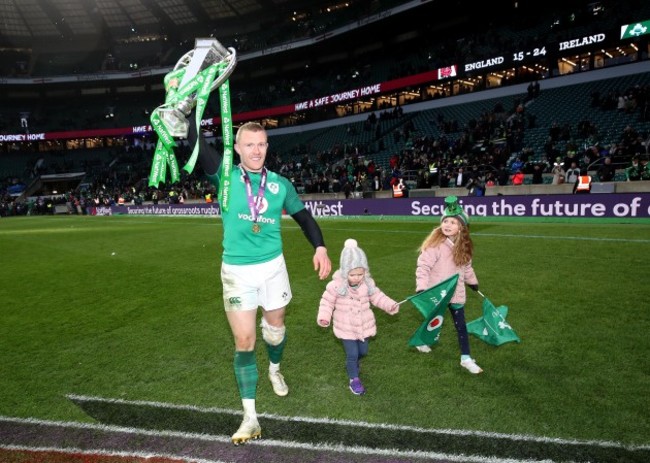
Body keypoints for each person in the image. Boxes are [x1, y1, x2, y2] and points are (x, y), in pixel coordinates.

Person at [190, 117, 332, 445]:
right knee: (244, 341)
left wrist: (320, 246)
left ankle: (274, 368)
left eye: (262, 144)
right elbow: (197, 145)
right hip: (237, 272)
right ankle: (250, 416)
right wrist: (189, 112)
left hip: (273, 268)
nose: (256, 150)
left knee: (275, 328)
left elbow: (304, 217)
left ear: (268, 147)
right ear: (237, 149)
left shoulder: (280, 184)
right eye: (249, 144)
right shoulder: (224, 177)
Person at [317, 239, 399, 395]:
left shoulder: (367, 284)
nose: (356, 277)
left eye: (360, 274)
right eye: (352, 274)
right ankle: (353, 379)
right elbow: (327, 302)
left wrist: (390, 305)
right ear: (345, 271)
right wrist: (324, 317)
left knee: (363, 351)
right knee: (352, 354)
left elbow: (378, 297)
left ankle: (352, 364)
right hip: (345, 326)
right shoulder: (336, 286)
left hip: (364, 325)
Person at [413, 196, 482, 374]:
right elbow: (423, 267)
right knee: (434, 320)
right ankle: (422, 341)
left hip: (457, 293)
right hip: (438, 292)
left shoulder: (464, 248)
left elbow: (466, 268)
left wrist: (473, 282)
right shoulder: (435, 245)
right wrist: (421, 287)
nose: (448, 225)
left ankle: (466, 358)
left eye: (453, 222)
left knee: (461, 325)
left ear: (461, 228)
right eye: (445, 221)